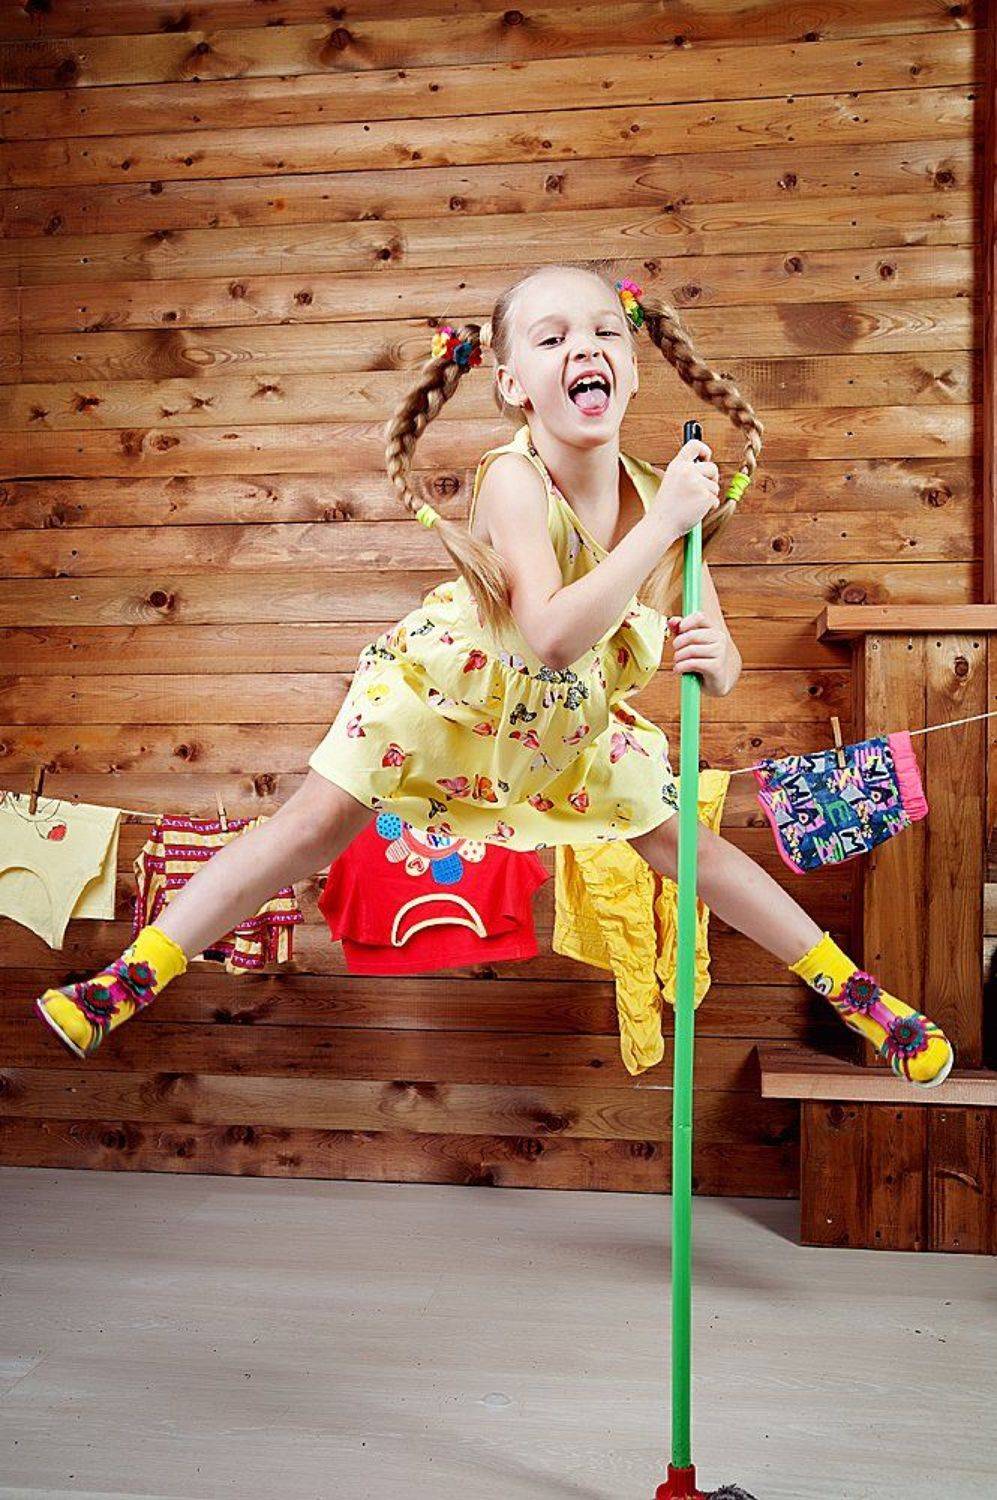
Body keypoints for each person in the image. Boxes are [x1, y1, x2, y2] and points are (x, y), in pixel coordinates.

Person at [34, 260, 954, 1088]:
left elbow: (713, 650)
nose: (582, 349)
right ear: (513, 384)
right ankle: (130, 978)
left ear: (632, 367)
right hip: (449, 700)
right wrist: (664, 525)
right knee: (309, 829)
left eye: (603, 332)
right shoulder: (516, 480)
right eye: (551, 339)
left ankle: (857, 997)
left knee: (688, 849)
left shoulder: (656, 491)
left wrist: (716, 659)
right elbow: (549, 635)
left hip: (566, 725)